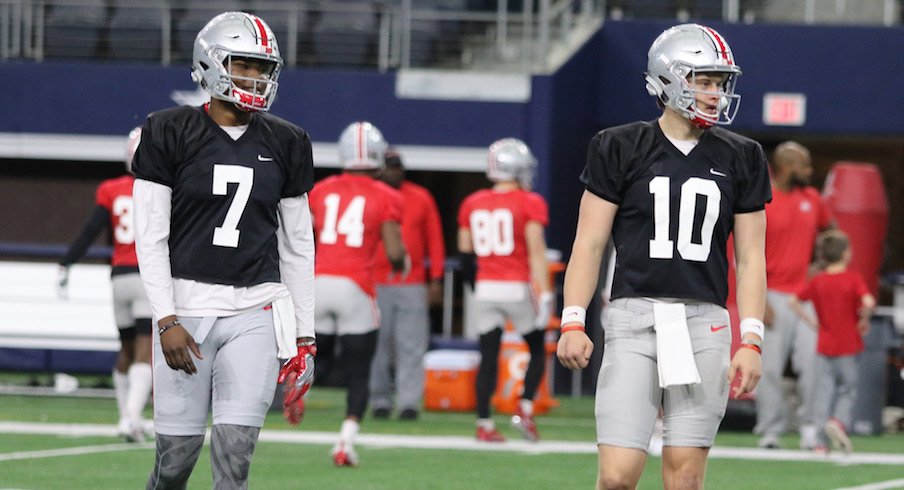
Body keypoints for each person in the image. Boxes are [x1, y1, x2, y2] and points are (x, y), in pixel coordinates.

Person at [556, 23, 769, 489]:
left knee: (686, 479)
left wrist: (751, 339)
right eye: (704, 81)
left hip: (704, 324)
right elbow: (589, 242)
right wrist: (572, 319)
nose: (715, 93)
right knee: (616, 478)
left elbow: (752, 257)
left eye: (720, 83)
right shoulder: (619, 145)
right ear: (668, 79)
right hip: (634, 317)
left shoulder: (743, 155)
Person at [131, 12, 316, 489]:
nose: (254, 77)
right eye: (244, 64)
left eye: (262, 68)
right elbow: (149, 236)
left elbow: (298, 247)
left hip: (256, 307)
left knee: (235, 457)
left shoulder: (289, 141)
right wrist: (166, 318)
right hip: (186, 309)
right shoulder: (168, 130)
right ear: (211, 63)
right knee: (175, 463)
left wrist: (304, 337)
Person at [309, 121, 407, 467]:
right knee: (359, 370)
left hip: (318, 284)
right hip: (356, 287)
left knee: (311, 358)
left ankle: (290, 392)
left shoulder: (321, 190)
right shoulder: (387, 195)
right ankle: (345, 442)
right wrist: (401, 263)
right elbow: (394, 252)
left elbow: (301, 237)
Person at [58, 127, 153, 443]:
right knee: (145, 352)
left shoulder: (111, 189)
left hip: (118, 278)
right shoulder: (160, 189)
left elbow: (89, 231)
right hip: (145, 276)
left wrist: (66, 263)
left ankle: (126, 418)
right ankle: (131, 419)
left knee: (124, 350)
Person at [457, 138, 554, 442]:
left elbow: (464, 251)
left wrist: (477, 286)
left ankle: (484, 423)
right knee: (537, 348)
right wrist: (547, 292)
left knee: (488, 356)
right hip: (515, 287)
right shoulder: (529, 202)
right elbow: (536, 251)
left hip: (485, 287)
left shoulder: (472, 202)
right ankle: (524, 408)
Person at [754, 141, 835, 450]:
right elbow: (747, 253)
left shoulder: (813, 199)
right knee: (770, 368)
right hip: (772, 295)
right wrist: (758, 299)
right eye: (805, 165)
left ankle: (811, 430)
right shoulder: (764, 200)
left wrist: (820, 266)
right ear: (787, 167)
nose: (810, 171)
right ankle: (770, 431)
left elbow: (834, 235)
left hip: (805, 299)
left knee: (813, 365)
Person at [369, 149, 446, 421]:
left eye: (398, 167)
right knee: (377, 345)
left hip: (412, 282)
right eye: (389, 167)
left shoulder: (420, 197)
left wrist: (436, 278)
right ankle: (379, 399)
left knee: (412, 344)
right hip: (374, 280)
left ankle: (409, 401)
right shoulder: (371, 194)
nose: (394, 172)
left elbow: (434, 240)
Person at [789, 230, 875, 453]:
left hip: (824, 344)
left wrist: (812, 323)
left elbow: (793, 301)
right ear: (846, 253)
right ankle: (838, 421)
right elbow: (868, 301)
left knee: (822, 393)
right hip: (848, 344)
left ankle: (819, 442)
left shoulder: (818, 281)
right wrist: (863, 320)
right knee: (847, 388)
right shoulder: (853, 279)